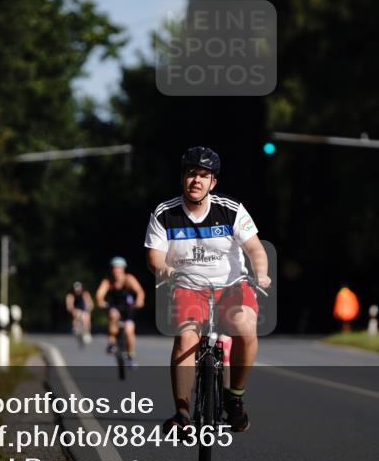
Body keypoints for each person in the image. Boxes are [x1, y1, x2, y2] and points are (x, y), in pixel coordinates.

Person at [145, 146, 271, 433]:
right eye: (191, 173)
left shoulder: (231, 210)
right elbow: (154, 255)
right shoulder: (165, 213)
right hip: (188, 286)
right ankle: (183, 413)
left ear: (213, 182)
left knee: (245, 328)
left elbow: (254, 248)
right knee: (186, 337)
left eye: (203, 175)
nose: (196, 181)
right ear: (182, 177)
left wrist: (261, 273)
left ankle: (235, 399)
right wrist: (165, 269)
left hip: (231, 286)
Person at [96, 257, 145, 366]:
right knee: (113, 315)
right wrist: (100, 301)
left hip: (128, 309)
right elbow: (100, 294)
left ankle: (130, 356)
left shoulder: (129, 279)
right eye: (115, 268)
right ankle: (112, 343)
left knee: (129, 330)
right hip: (114, 307)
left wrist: (139, 300)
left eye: (119, 268)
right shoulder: (108, 281)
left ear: (123, 269)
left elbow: (139, 291)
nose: (117, 271)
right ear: (111, 269)